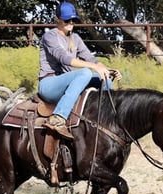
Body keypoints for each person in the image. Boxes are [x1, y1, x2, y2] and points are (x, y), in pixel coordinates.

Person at [38, 1, 122, 140]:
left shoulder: (75, 38)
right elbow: (63, 58)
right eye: (67, 20)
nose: (71, 22)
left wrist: (107, 70)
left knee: (104, 78)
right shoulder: (50, 36)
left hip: (71, 81)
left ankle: (108, 120)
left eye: (73, 20)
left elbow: (90, 58)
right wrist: (93, 67)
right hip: (49, 84)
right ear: (58, 20)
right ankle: (58, 118)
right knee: (85, 72)